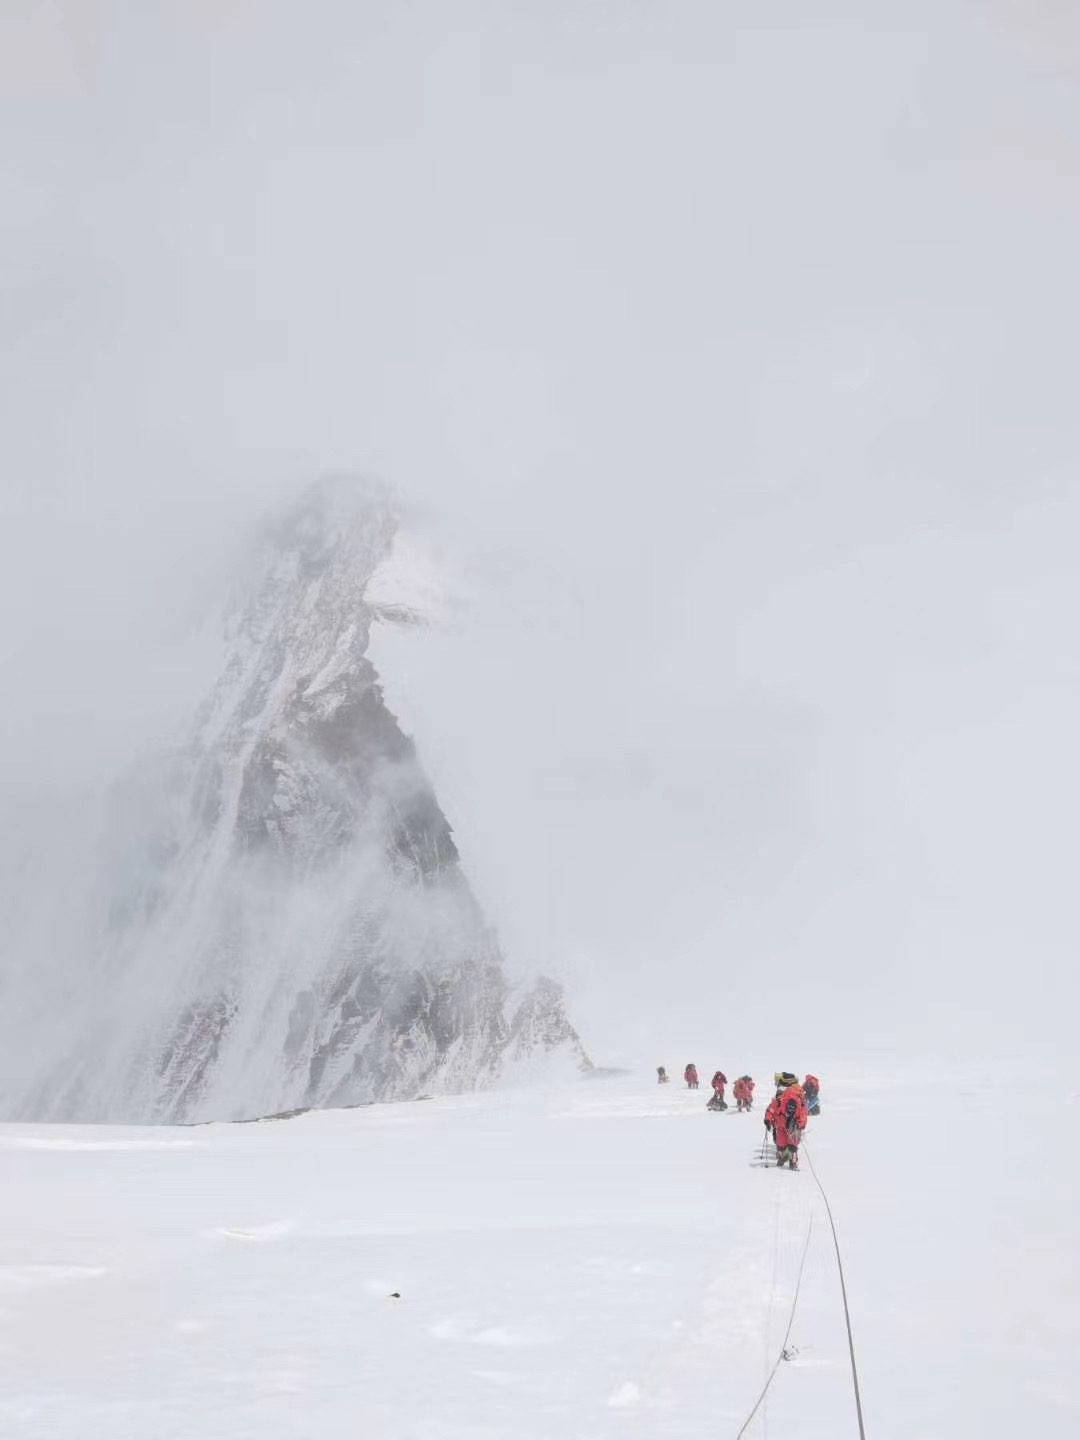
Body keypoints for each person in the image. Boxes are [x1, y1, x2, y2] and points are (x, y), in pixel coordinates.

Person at [772, 1076, 808, 1170]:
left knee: (785, 1144)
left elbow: (774, 1109)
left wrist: (770, 1119)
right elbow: (803, 1115)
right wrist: (801, 1124)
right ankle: (791, 1160)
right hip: (793, 1124)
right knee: (791, 1144)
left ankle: (789, 1159)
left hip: (783, 1123)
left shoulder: (783, 1098)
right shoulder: (800, 1101)